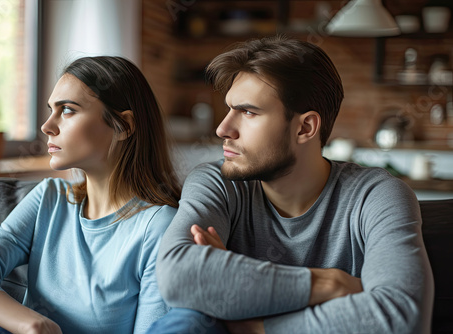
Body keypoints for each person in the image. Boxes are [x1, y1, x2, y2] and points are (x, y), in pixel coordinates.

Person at [150, 36, 434, 334]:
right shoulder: (217, 183)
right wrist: (328, 284)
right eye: (229, 109)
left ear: (305, 127)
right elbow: (178, 278)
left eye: (248, 112)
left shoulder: (375, 196)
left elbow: (402, 318)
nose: (223, 128)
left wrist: (256, 326)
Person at [0, 56, 181, 334]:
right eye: (51, 109)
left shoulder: (158, 228)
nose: (47, 126)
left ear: (124, 126)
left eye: (68, 110)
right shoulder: (49, 198)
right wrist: (31, 324)